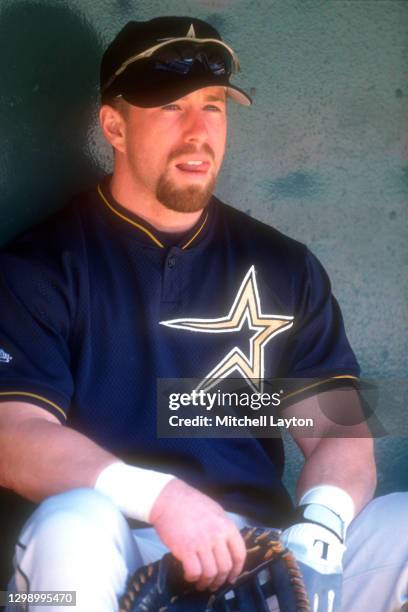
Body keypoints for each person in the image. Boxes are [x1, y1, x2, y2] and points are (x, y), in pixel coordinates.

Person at [0, 16, 406, 612]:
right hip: (112, 551)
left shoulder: (283, 265)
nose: (198, 131)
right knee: (69, 526)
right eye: (171, 107)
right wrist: (163, 499)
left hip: (262, 558)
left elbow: (339, 436)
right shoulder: (41, 265)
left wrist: (321, 528)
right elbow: (13, 438)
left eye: (213, 106)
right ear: (114, 125)